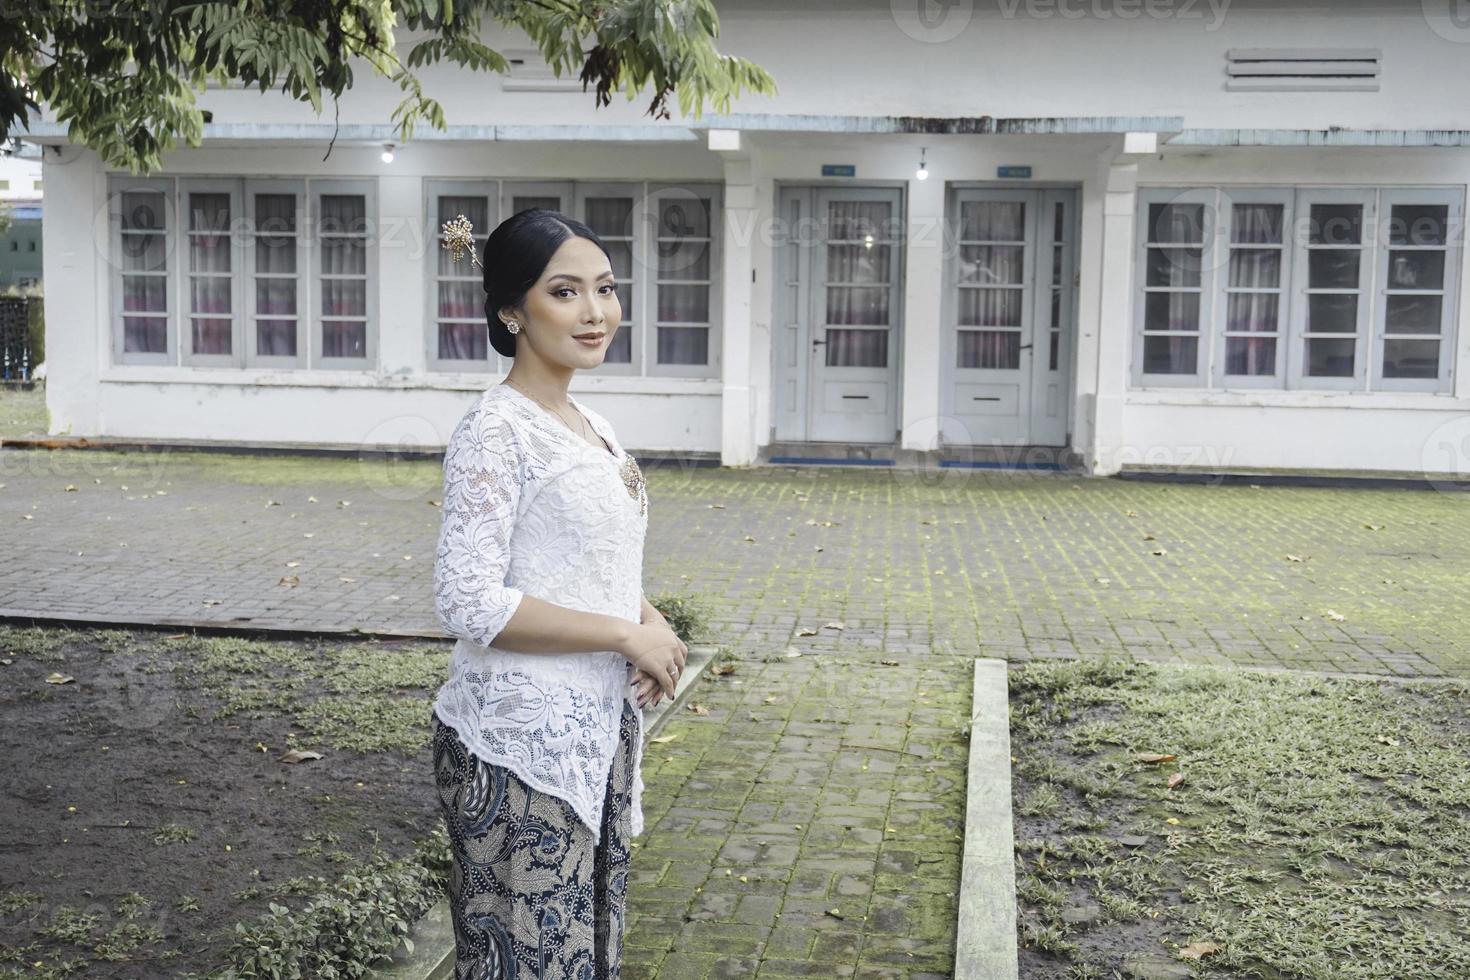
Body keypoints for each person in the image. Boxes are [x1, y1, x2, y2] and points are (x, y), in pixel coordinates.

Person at [429, 207, 689, 979]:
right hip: (516, 749)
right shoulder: (495, 432)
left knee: (585, 960)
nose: (595, 312)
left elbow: (589, 561)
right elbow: (469, 601)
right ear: (511, 311)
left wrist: (650, 622)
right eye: (565, 291)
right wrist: (619, 636)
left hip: (594, 735)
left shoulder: (589, 422)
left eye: (604, 289)